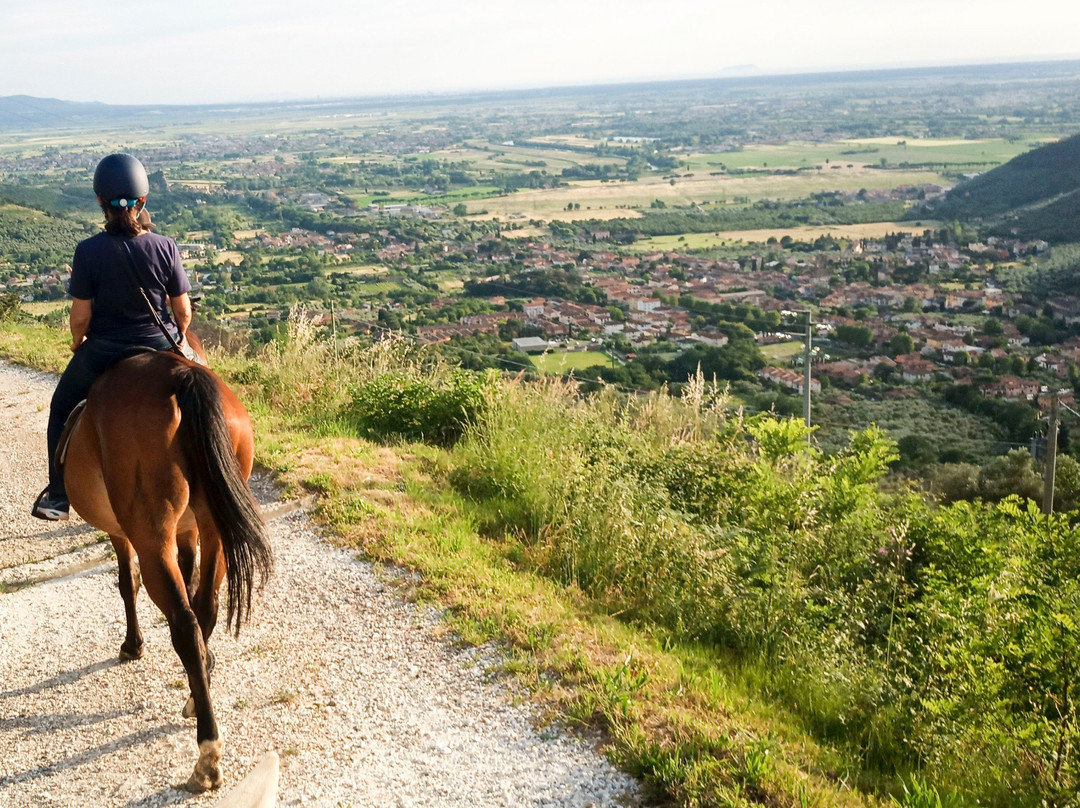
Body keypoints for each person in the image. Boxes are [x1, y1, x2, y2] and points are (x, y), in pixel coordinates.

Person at [32, 153, 194, 521]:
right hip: (160, 343)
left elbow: (80, 317)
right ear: (143, 202)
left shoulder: (88, 251)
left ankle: (58, 496)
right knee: (209, 387)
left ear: (100, 202)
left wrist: (79, 344)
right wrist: (181, 336)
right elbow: (182, 310)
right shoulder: (165, 245)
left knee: (60, 408)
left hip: (105, 350)